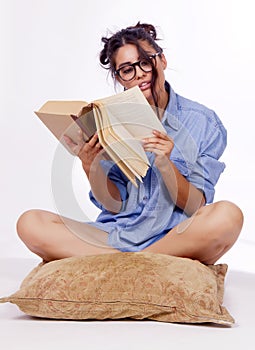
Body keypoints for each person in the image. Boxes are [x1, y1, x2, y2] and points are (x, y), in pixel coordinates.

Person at [16, 22, 243, 264]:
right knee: (30, 223)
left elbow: (196, 207)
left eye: (145, 61)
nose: (139, 74)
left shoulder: (204, 122)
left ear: (162, 60)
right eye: (126, 70)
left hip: (173, 236)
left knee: (228, 216)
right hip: (117, 234)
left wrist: (166, 163)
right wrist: (90, 167)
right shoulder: (108, 119)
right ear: (119, 78)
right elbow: (114, 206)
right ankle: (138, 261)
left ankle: (121, 261)